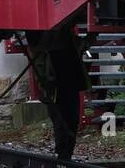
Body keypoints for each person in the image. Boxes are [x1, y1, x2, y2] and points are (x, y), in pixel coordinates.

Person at [30, 24, 90, 161]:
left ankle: (66, 154)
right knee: (61, 121)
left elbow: (84, 45)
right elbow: (39, 65)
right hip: (55, 86)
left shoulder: (70, 41)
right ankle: (63, 154)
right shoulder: (45, 46)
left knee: (71, 120)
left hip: (69, 83)